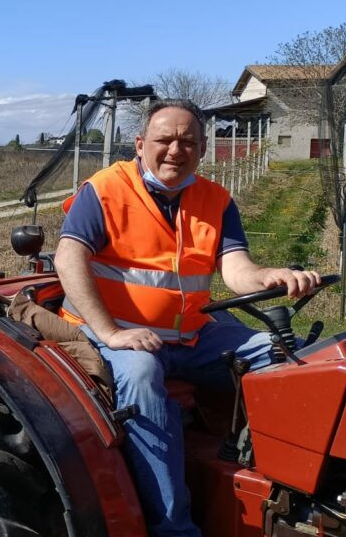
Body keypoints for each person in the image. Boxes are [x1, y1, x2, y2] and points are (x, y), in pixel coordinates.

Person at [54, 99, 321, 537]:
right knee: (140, 372)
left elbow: (237, 271)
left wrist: (270, 276)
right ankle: (173, 528)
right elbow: (69, 259)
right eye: (164, 140)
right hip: (112, 334)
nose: (175, 150)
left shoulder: (215, 200)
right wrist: (111, 332)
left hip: (194, 336)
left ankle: (294, 485)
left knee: (288, 354)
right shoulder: (105, 190)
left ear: (202, 149)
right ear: (141, 145)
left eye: (188, 141)